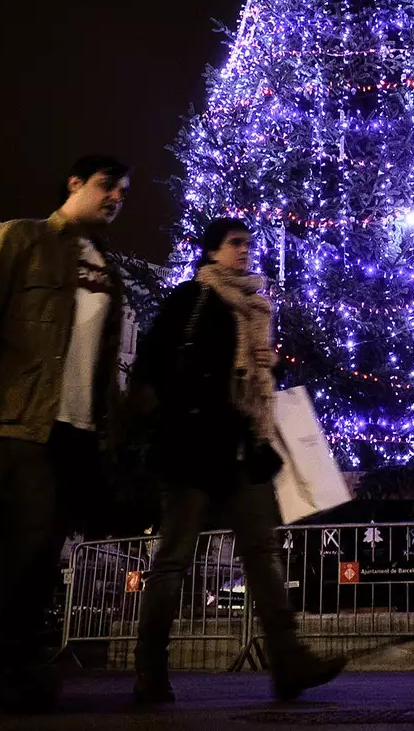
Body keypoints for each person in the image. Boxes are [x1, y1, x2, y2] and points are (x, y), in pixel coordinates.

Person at [0, 155, 131, 710]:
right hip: (20, 418)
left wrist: (111, 429)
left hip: (77, 428)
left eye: (123, 191)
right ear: (74, 184)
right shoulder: (21, 239)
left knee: (44, 552)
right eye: (106, 186)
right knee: (24, 544)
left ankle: (14, 667)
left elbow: (102, 361)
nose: (116, 197)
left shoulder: (106, 268)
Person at [128, 218, 344, 704]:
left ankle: (288, 661)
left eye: (249, 243)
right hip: (191, 447)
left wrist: (266, 380)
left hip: (240, 446)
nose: (245, 251)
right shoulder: (193, 299)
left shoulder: (256, 308)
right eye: (235, 243)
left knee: (263, 554)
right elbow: (158, 363)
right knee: (174, 559)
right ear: (211, 252)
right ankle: (150, 666)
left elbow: (248, 384)